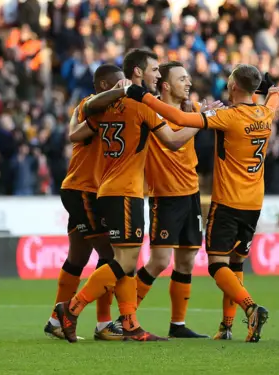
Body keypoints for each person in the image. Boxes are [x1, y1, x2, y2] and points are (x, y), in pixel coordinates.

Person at [125, 64, 279, 342]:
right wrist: (270, 87)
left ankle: (250, 308)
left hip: (228, 201)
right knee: (236, 265)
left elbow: (178, 118)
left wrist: (142, 95)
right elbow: (276, 96)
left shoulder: (227, 116)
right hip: (254, 202)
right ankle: (226, 327)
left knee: (216, 265)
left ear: (233, 87)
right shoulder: (267, 112)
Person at [55, 48, 200, 343]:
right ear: (137, 72)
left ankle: (130, 323)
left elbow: (77, 134)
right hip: (126, 191)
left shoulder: (105, 107)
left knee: (124, 261)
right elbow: (172, 141)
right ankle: (71, 309)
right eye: (154, 70)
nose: (157, 75)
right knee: (122, 261)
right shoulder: (143, 107)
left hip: (106, 189)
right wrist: (200, 121)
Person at [45, 64, 131, 342]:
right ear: (106, 86)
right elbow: (91, 105)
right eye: (120, 84)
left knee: (78, 257)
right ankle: (103, 323)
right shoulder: (88, 105)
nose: (125, 88)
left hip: (86, 190)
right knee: (112, 256)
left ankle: (54, 321)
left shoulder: (112, 111)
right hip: (84, 190)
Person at [135, 61, 221, 339]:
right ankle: (125, 316)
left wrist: (209, 115)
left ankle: (178, 325)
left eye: (188, 78)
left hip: (191, 194)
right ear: (166, 86)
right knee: (159, 261)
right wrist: (201, 120)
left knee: (186, 261)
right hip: (165, 196)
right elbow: (174, 141)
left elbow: (213, 118)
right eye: (182, 79)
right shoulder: (153, 112)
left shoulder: (194, 109)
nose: (188, 83)